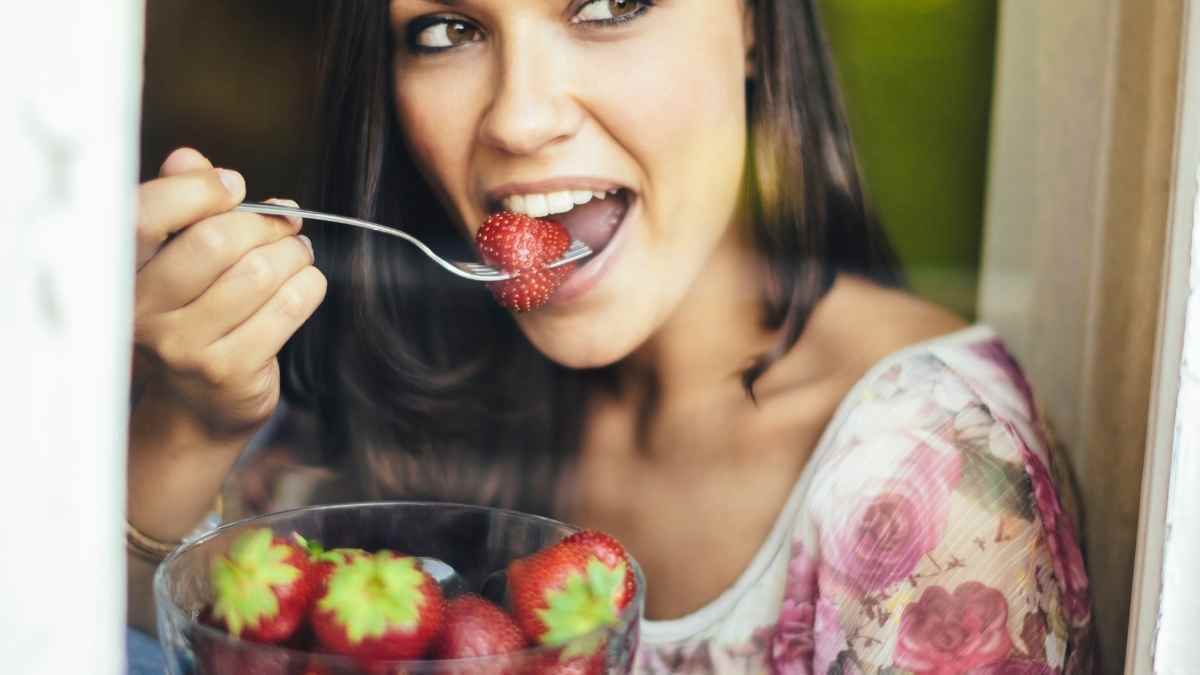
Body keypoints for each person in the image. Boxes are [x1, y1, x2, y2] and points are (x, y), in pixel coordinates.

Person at [125, 1, 1095, 672]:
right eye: (448, 29)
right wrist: (181, 428)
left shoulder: (928, 479)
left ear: (755, 22)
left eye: (610, 4)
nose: (519, 117)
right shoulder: (406, 371)